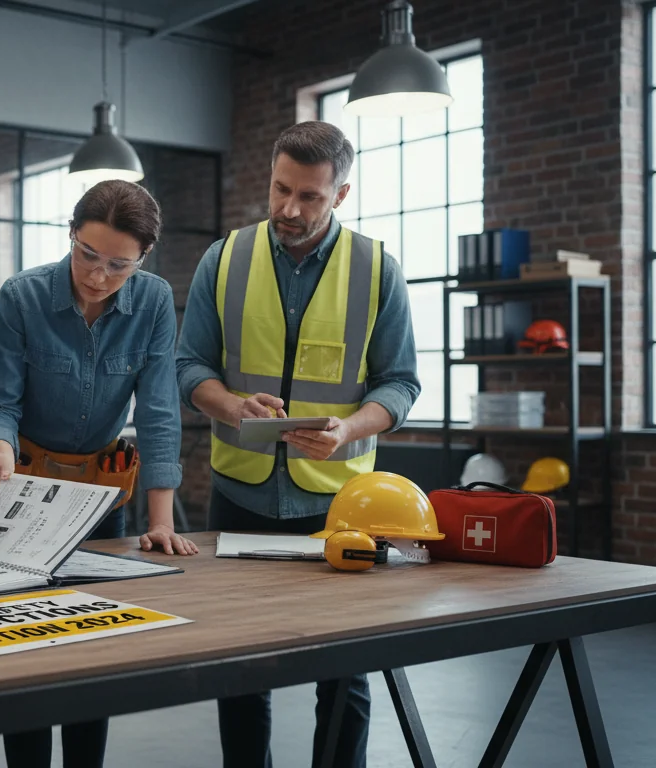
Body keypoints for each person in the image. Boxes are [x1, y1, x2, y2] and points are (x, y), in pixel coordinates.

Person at [175, 120, 421, 768]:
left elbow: (400, 383)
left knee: (344, 675)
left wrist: (349, 428)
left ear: (340, 194)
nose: (289, 208)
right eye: (280, 189)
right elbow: (189, 367)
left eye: (309, 196)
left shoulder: (377, 269)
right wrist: (229, 404)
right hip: (238, 497)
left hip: (341, 508)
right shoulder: (222, 259)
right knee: (241, 675)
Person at [0, 179, 198, 768]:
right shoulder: (22, 296)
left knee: (90, 640)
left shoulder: (151, 301)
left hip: (100, 495)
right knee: (21, 644)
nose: (98, 276)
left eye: (118, 265)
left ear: (143, 259)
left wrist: (159, 522)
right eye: (86, 255)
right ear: (70, 237)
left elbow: (157, 409)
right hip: (21, 485)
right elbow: (0, 401)